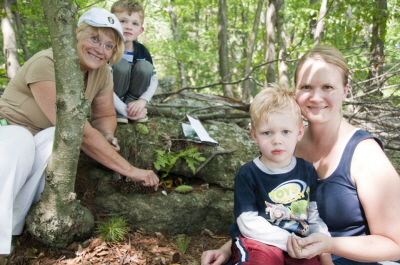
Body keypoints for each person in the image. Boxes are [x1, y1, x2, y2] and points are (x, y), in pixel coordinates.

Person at [201, 45, 400, 265]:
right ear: (296, 91)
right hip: (289, 251)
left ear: (345, 90)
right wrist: (228, 249)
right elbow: (270, 213)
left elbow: (395, 245)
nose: (316, 97)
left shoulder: (364, 152)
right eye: (306, 86)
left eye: (327, 87)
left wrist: (330, 245)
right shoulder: (286, 145)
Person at [0, 7, 159, 256]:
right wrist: (130, 170)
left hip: (39, 141)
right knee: (23, 139)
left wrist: (106, 134)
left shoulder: (102, 73)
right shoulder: (48, 63)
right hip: (7, 133)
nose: (100, 49)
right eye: (94, 38)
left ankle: (11, 232)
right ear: (76, 35)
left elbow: (104, 115)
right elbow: (79, 131)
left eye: (109, 45)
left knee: (55, 138)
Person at [228, 85, 331, 265]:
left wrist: (322, 246)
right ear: (254, 134)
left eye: (285, 132)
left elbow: (313, 216)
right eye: (267, 133)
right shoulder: (249, 174)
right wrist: (288, 241)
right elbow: (247, 222)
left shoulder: (306, 171)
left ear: (299, 132)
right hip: (259, 242)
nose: (277, 140)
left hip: (300, 242)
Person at [110, 0, 158, 123]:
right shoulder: (107, 48)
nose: (128, 27)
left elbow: (153, 79)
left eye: (135, 23)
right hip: (110, 98)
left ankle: (134, 108)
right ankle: (116, 111)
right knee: (121, 65)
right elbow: (102, 84)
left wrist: (142, 101)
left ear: (141, 30)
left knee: (145, 67)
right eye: (123, 21)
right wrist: (123, 109)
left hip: (133, 101)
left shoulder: (142, 51)